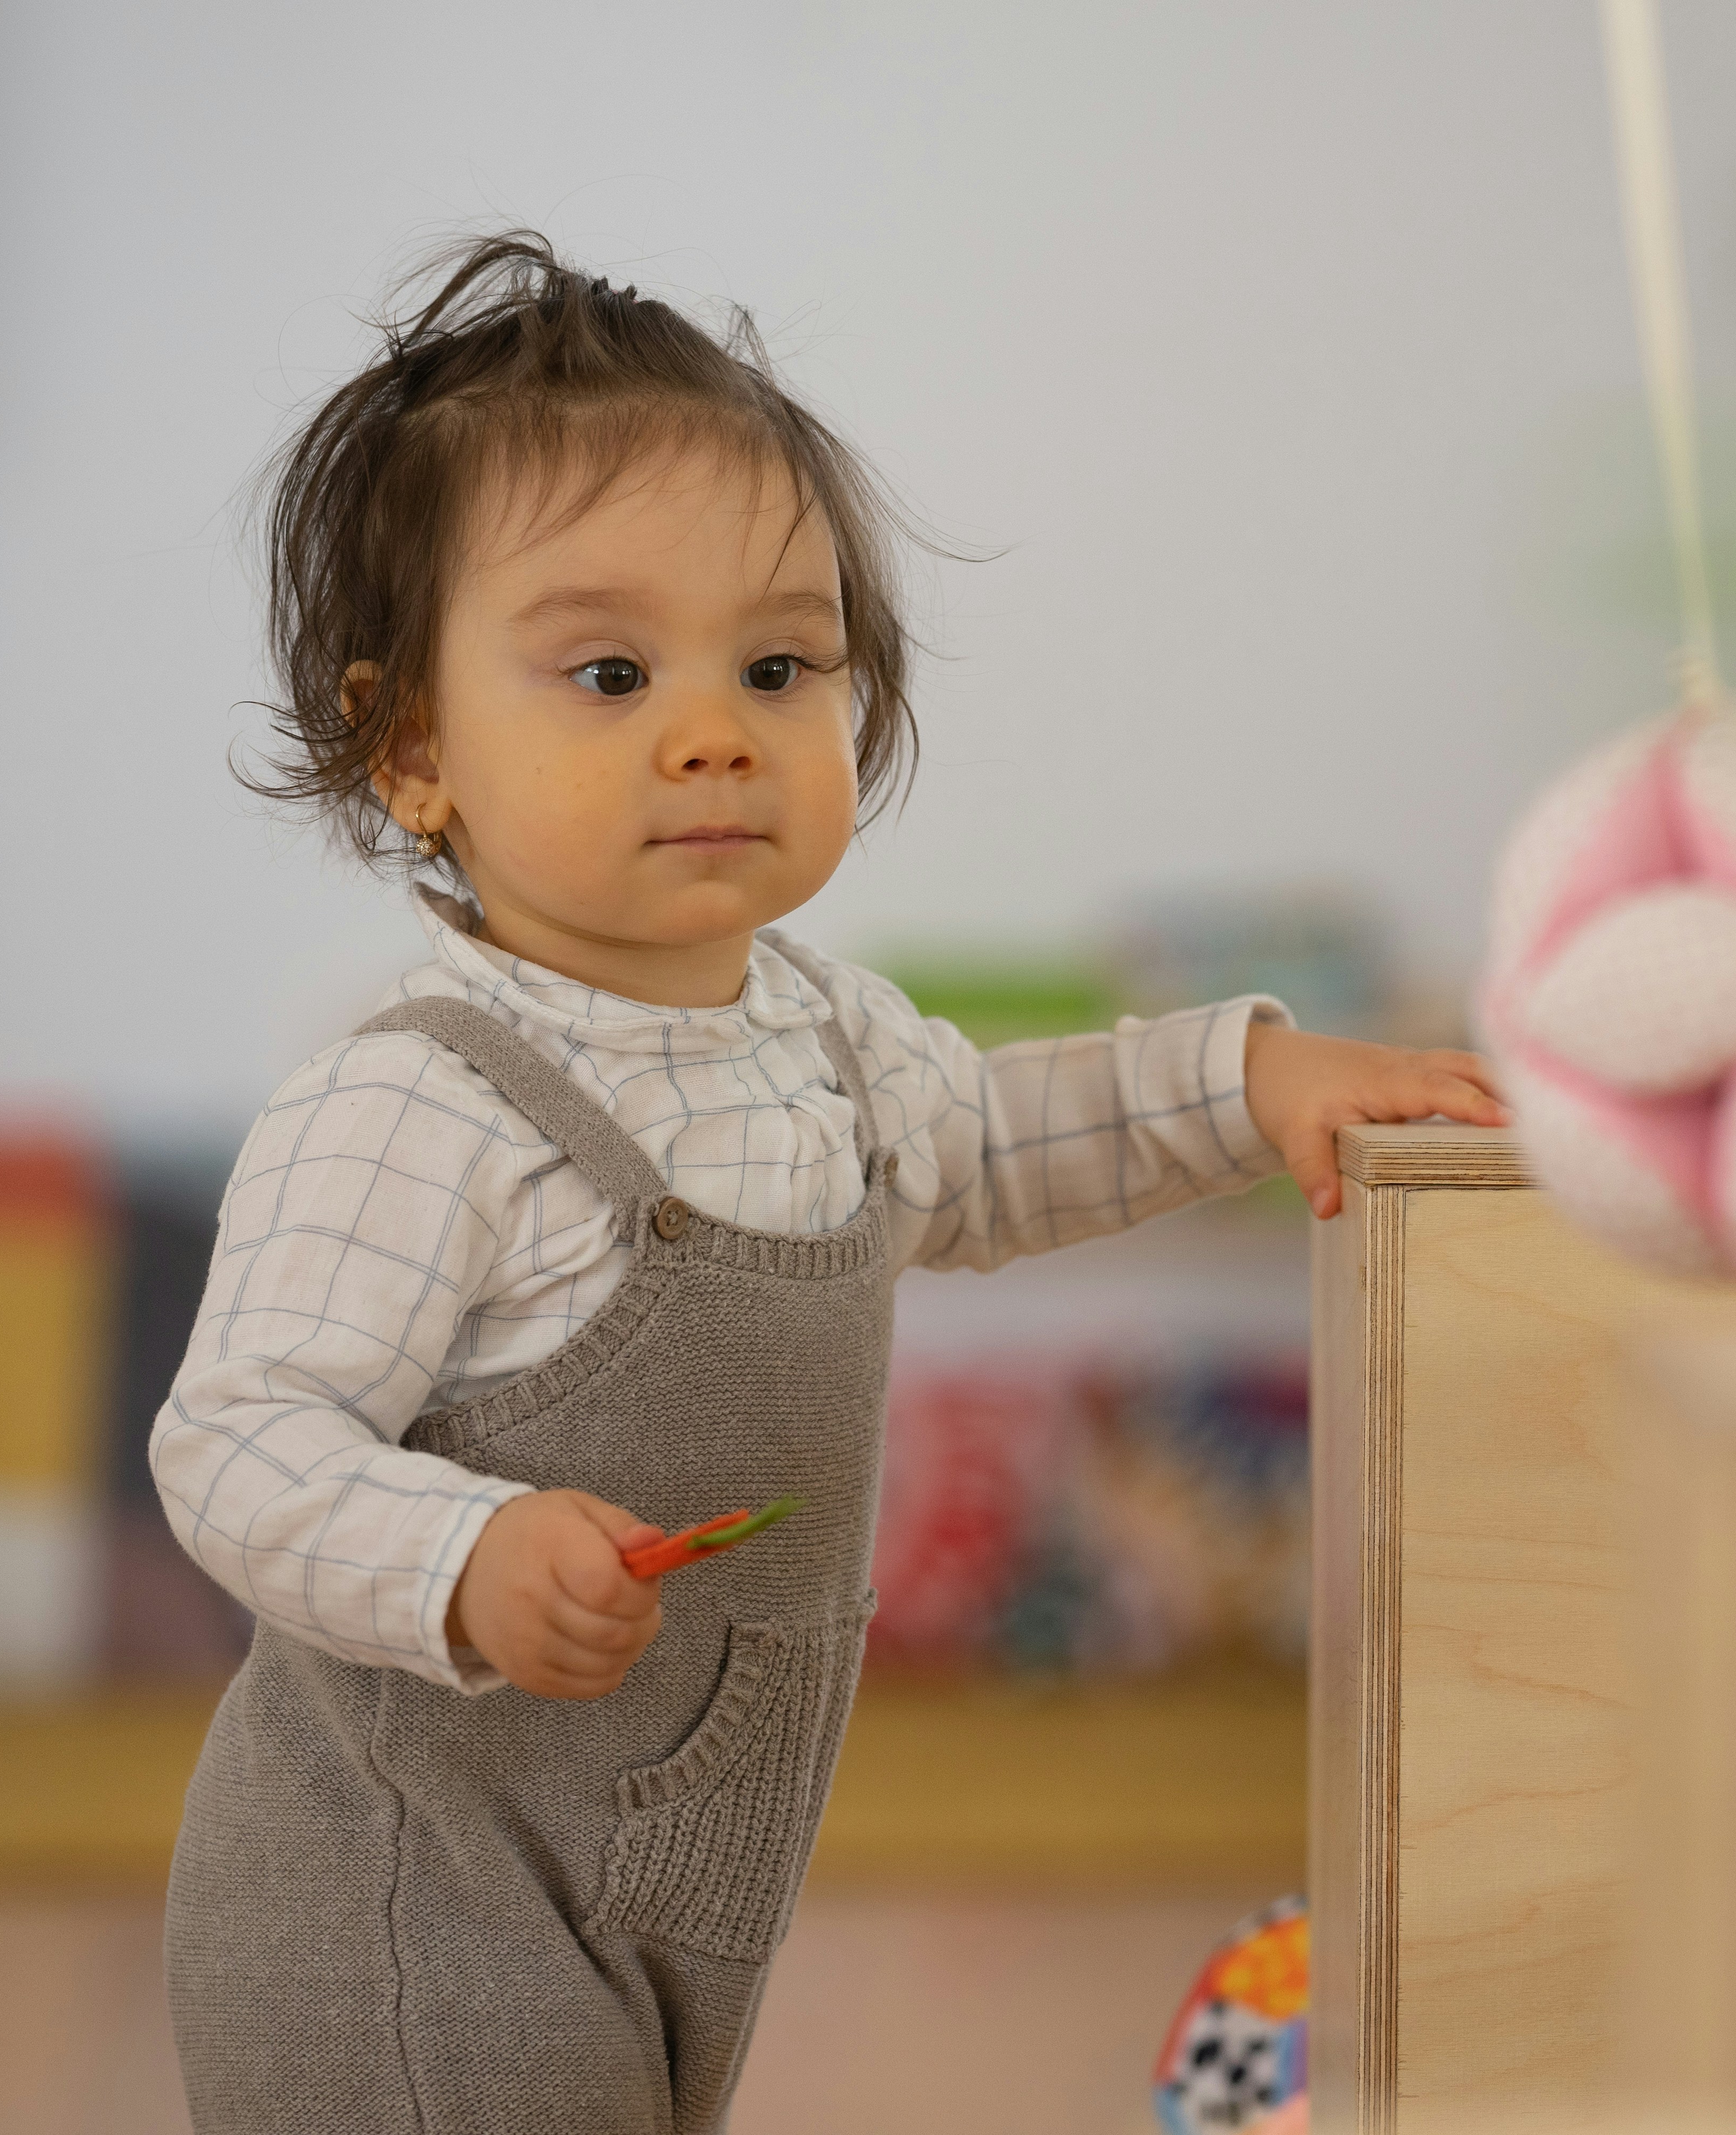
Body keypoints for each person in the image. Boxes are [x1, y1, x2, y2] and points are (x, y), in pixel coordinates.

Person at [150, 230, 1503, 2134]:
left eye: (779, 663)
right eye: (609, 672)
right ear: (413, 748)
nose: (715, 727)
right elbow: (236, 1439)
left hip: (665, 1878)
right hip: (412, 1902)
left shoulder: (824, 1035)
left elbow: (1001, 1147)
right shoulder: (418, 1102)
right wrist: (457, 1556)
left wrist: (1245, 1075)